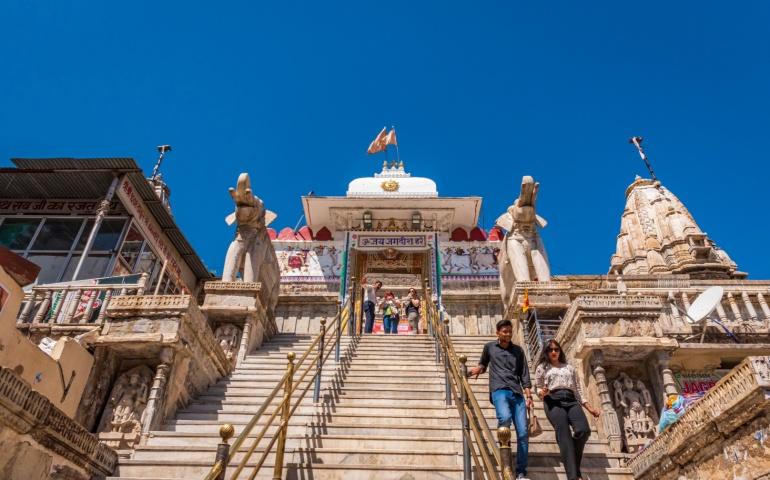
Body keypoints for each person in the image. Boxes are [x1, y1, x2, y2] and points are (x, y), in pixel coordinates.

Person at [468, 319, 532, 480]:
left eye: (510, 331)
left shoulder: (518, 350)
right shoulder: (489, 347)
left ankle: (521, 472)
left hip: (516, 392)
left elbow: (524, 374)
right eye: (505, 331)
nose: (508, 334)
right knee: (504, 419)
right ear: (498, 333)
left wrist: (529, 395)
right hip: (499, 390)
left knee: (523, 433)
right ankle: (506, 464)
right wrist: (471, 371)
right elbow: (483, 365)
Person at [534, 339, 601, 480]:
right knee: (564, 435)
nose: (553, 352)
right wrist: (543, 393)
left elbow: (578, 390)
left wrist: (590, 408)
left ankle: (573, 465)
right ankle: (574, 476)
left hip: (571, 400)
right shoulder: (542, 367)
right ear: (546, 352)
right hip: (553, 400)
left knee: (584, 431)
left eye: (556, 349)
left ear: (560, 351)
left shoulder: (569, 368)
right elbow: (538, 388)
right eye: (550, 350)